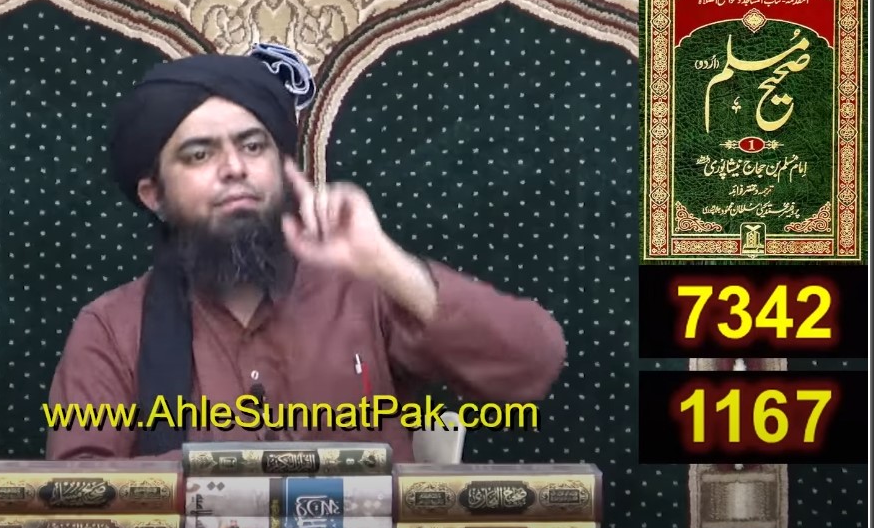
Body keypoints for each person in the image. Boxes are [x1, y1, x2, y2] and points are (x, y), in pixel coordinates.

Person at [45, 43, 566, 462]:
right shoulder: (111, 329)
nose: (235, 168)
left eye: (253, 146)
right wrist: (233, 479)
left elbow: (529, 365)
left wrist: (388, 264)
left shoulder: (366, 293)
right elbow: (78, 497)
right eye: (200, 154)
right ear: (154, 195)